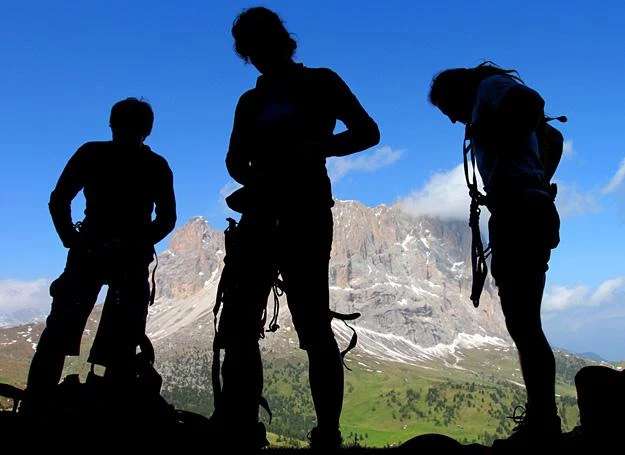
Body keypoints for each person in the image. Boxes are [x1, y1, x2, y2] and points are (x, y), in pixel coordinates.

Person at [212, 6, 380, 450]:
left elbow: (368, 132)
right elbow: (234, 161)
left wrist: (304, 154)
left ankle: (317, 433)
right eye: (251, 49)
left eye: (256, 47)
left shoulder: (317, 83)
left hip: (295, 210)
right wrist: (274, 172)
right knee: (259, 324)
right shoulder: (260, 98)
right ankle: (274, 432)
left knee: (281, 323)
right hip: (285, 208)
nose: (255, 55)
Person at [428, 62, 562, 450]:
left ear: (456, 94)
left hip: (519, 210)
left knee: (523, 324)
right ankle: (543, 418)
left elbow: (531, 102)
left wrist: (499, 140)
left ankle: (542, 422)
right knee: (525, 323)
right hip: (526, 206)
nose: (455, 121)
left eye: (450, 111)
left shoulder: (489, 88)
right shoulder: (492, 94)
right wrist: (538, 176)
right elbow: (552, 135)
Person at [20, 97, 177, 416]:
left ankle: (36, 407)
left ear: (112, 124)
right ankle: (113, 413)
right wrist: (134, 242)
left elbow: (59, 199)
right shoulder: (155, 165)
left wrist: (73, 240)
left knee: (59, 331)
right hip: (129, 259)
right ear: (148, 129)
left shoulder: (92, 153)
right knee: (122, 338)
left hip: (89, 252)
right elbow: (166, 218)